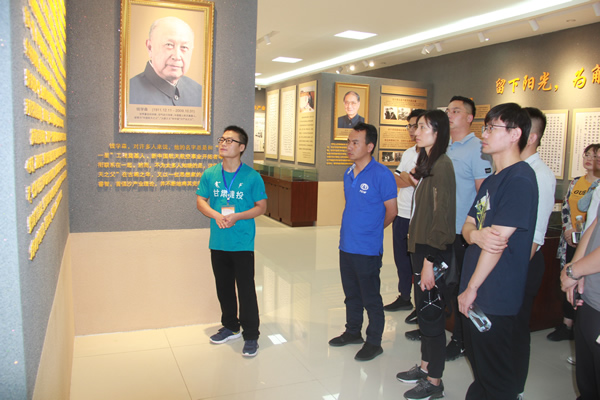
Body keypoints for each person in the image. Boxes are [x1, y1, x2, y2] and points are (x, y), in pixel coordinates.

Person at [458, 102, 538, 400]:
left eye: (492, 128)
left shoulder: (520, 179)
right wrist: (476, 235)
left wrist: (471, 289)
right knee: (482, 369)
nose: (484, 134)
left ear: (515, 134)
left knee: (496, 376)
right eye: (486, 127)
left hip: (494, 294)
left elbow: (497, 244)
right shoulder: (491, 180)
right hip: (478, 289)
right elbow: (468, 226)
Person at [395, 110, 456, 400]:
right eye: (416, 127)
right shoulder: (428, 162)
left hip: (431, 252)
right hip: (420, 248)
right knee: (424, 313)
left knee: (431, 316)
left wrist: (430, 261)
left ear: (438, 132)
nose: (416, 132)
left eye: (422, 127)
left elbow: (442, 217)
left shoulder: (443, 165)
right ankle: (425, 366)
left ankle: (434, 382)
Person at [196, 126, 267, 357]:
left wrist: (237, 216)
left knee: (246, 289)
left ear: (242, 147)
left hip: (242, 242)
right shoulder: (210, 174)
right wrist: (216, 215)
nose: (223, 144)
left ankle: (251, 334)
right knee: (224, 287)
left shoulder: (252, 177)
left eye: (230, 140)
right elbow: (200, 201)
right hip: (218, 241)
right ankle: (230, 326)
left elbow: (261, 207)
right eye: (222, 139)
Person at [329, 122, 397, 361]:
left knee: (371, 298)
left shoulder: (382, 175)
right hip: (346, 245)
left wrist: (373, 231)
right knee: (351, 294)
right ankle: (352, 331)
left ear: (370, 146)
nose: (349, 146)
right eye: (348, 142)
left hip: (367, 249)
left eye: (355, 142)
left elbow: (392, 211)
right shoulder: (348, 173)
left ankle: (374, 342)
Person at [513, 107, 557, 398]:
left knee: (517, 330)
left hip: (523, 265)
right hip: (509, 263)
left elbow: (535, 237)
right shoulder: (514, 169)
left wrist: (510, 275)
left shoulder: (540, 175)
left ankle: (514, 388)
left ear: (530, 137)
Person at [550, 143, 600, 341]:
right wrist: (568, 229)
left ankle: (579, 323)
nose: (590, 159)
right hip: (570, 239)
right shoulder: (576, 182)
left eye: (595, 156)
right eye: (587, 155)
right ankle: (567, 324)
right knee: (568, 277)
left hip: (591, 244)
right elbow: (566, 207)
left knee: (583, 282)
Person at [385, 109, 426, 317]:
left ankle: (421, 305)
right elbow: (396, 179)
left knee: (417, 262)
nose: (412, 130)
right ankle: (404, 297)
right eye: (409, 126)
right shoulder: (409, 153)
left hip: (418, 217)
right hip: (401, 213)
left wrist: (407, 178)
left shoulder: (430, 154)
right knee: (401, 259)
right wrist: (409, 178)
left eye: (416, 126)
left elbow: (419, 183)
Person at [560, 203, 600, 400]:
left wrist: (574, 271)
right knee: (587, 385)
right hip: (590, 300)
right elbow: (596, 224)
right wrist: (574, 266)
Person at [130, 16, 203, 107]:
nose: (177, 57)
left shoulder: (200, 93)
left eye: (184, 47)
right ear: (150, 47)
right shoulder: (129, 93)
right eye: (169, 45)